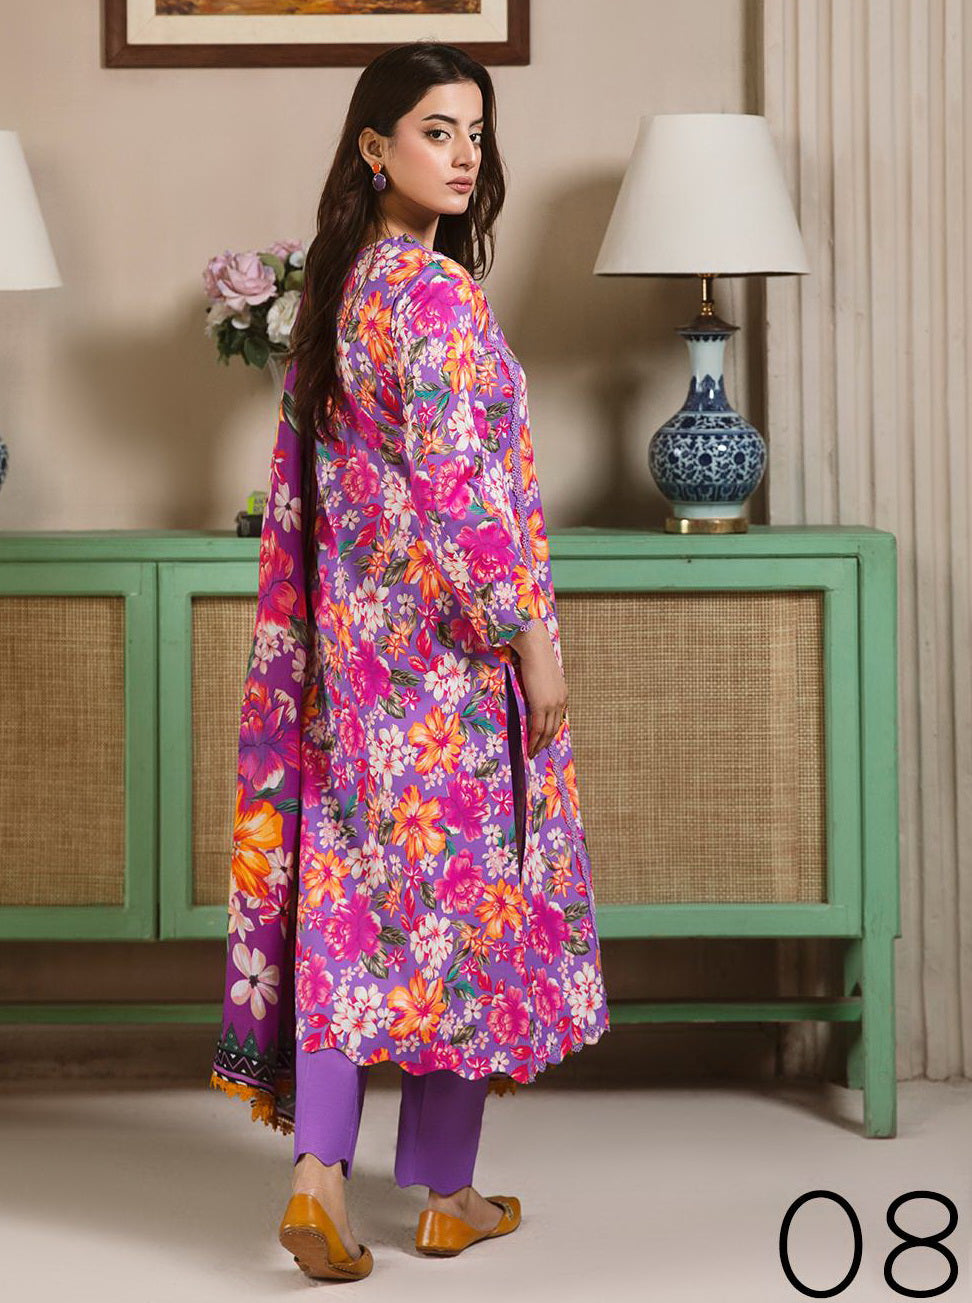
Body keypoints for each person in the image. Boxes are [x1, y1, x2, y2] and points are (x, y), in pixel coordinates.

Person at [209, 39, 610, 1282]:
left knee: (350, 917)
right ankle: (444, 1194)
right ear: (376, 148)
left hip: (351, 676)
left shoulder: (342, 294)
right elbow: (464, 494)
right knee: (465, 919)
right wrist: (530, 644)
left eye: (476, 131)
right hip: (449, 673)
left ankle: (320, 1179)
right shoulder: (436, 298)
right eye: (439, 130)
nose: (465, 153)